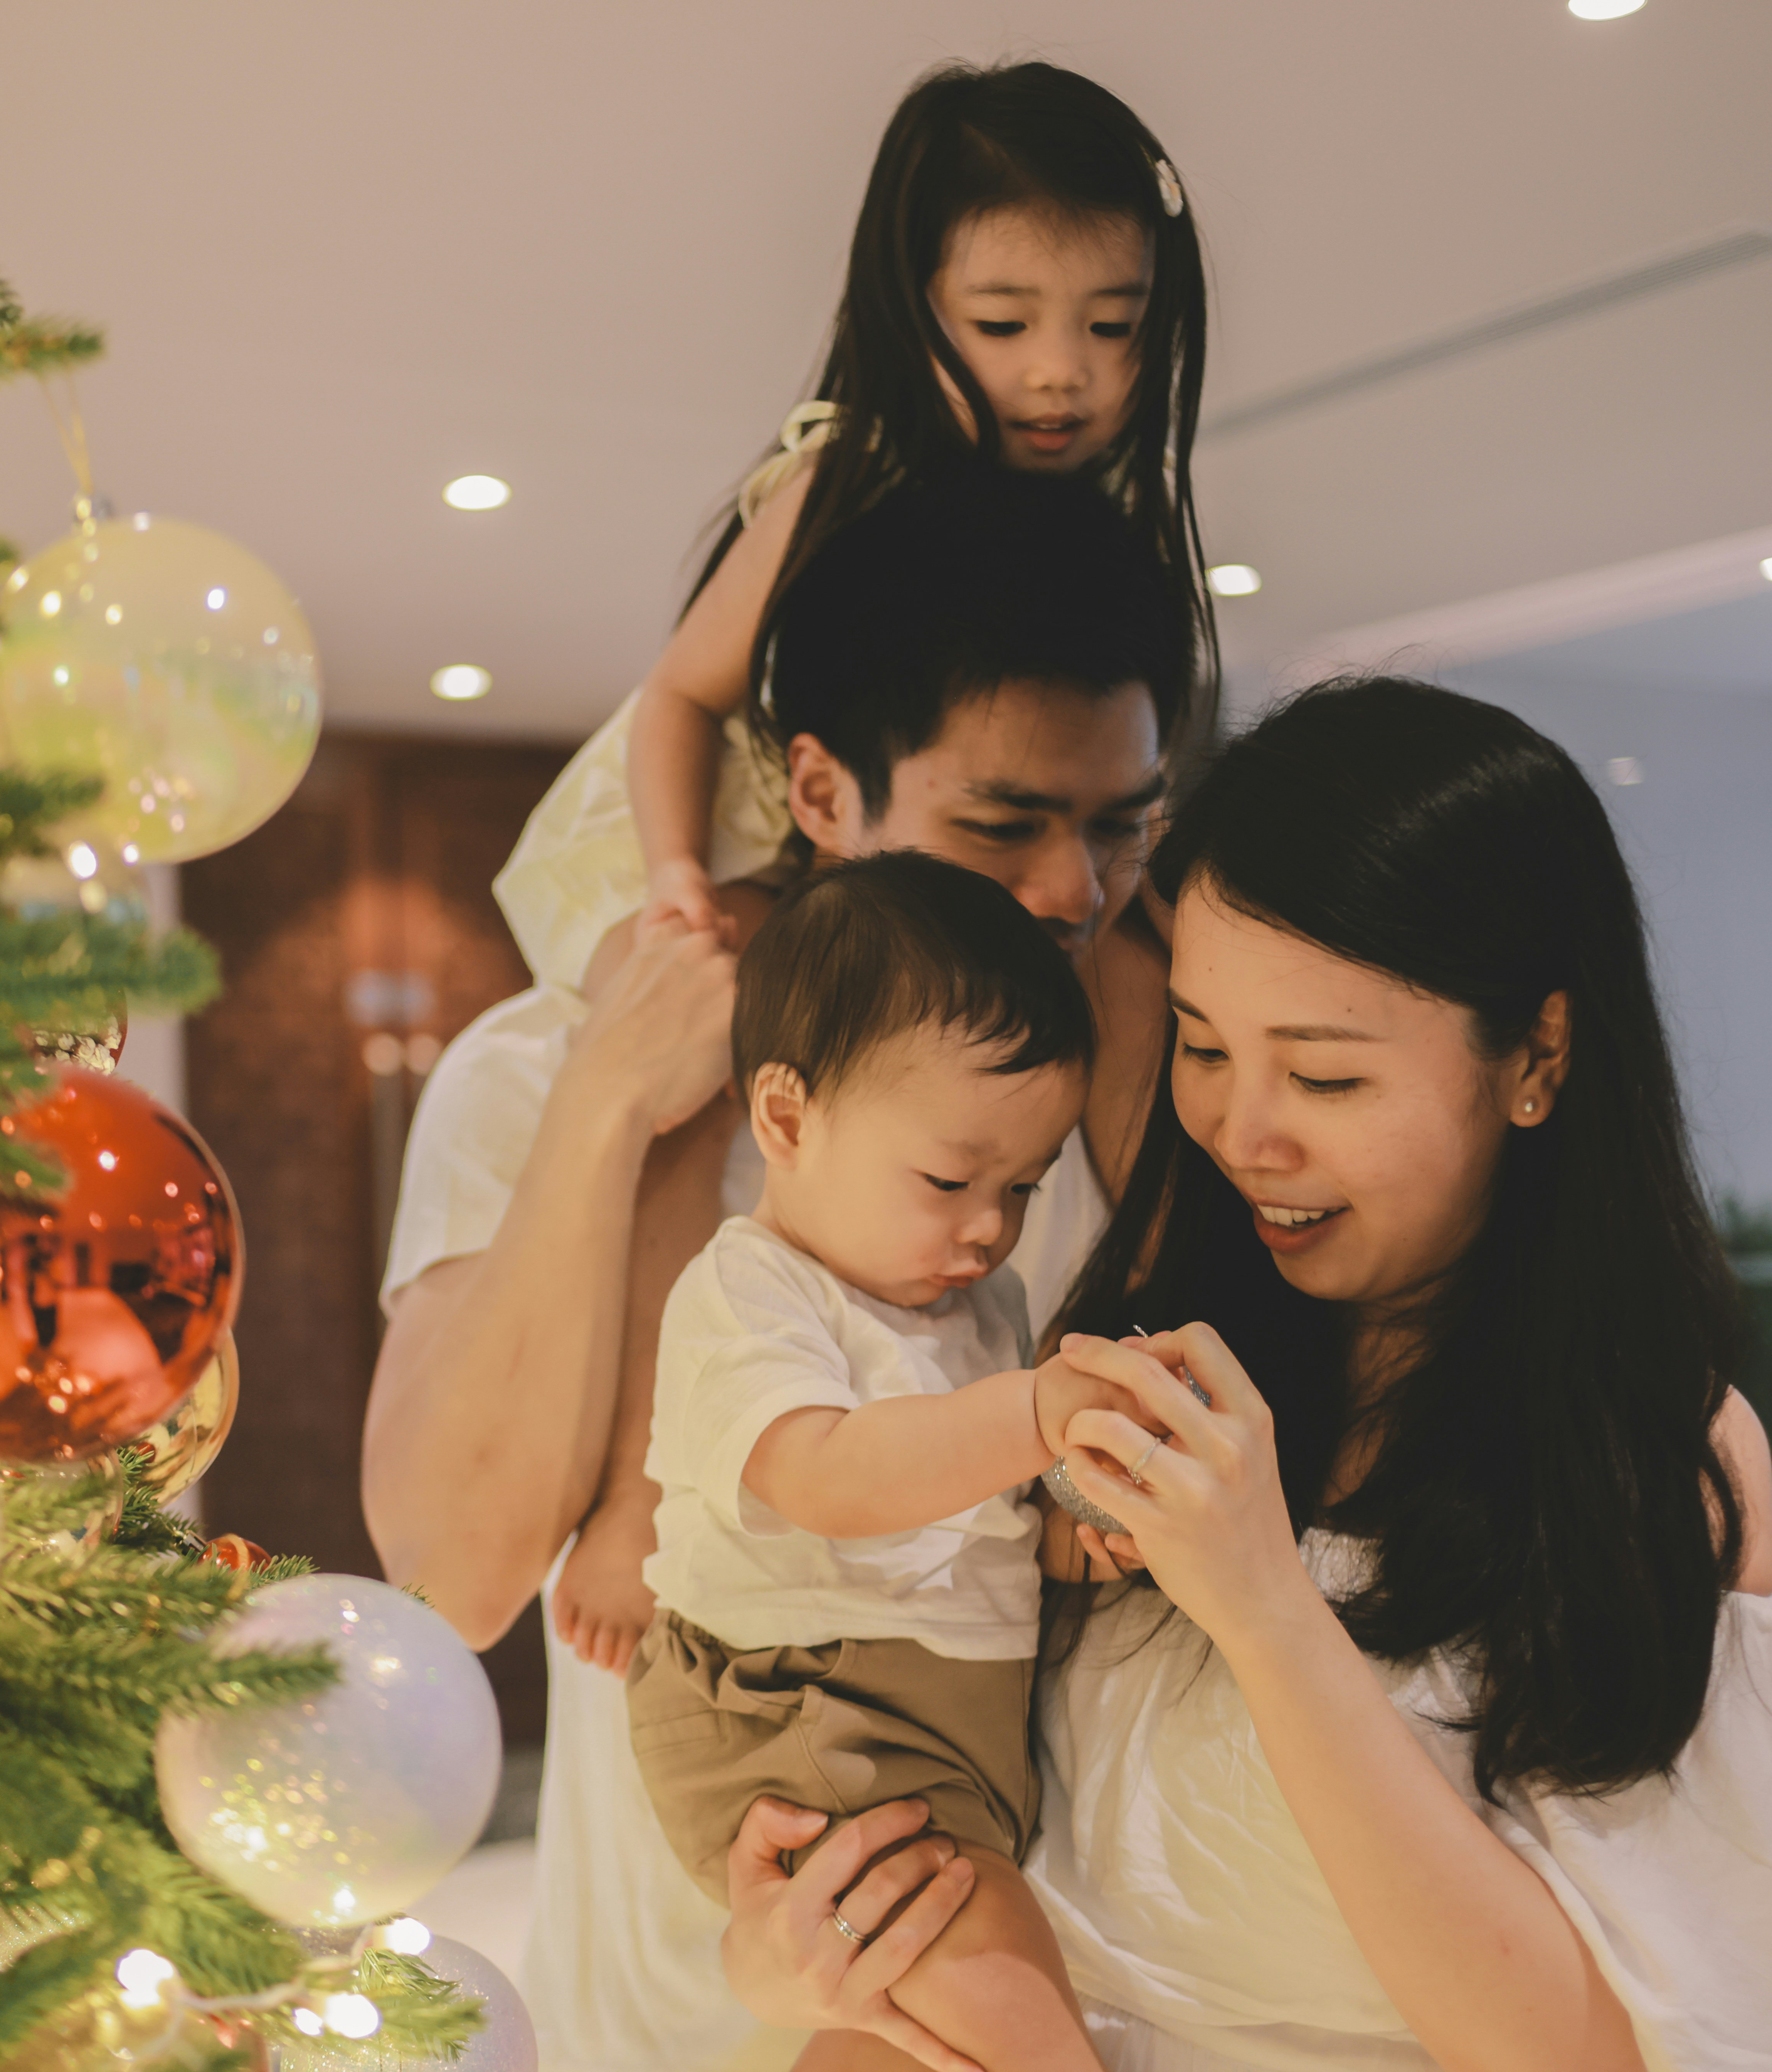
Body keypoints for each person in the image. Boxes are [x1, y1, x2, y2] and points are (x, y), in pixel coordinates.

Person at [719, 679, 1772, 2072]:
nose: (1240, 1131)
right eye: (1203, 1045)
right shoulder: (1137, 1368)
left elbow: (1612, 2048)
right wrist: (804, 1942)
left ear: (1539, 1057)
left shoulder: (1649, 1465)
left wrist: (1266, 1608)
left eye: (1325, 1078)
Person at [362, 468, 1183, 2072]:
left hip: (1087, 1970)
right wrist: (608, 1103)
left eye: (1119, 824)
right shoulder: (539, 1073)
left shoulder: (1133, 1065)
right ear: (819, 791)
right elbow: (449, 1574)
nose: (1068, 893)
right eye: (1001, 823)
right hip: (686, 2000)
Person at [490, 58, 1215, 993]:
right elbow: (679, 694)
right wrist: (675, 874)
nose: (1060, 371)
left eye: (1113, 326)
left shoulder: (1110, 510)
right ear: (911, 314)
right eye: (1003, 325)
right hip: (705, 844)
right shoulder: (850, 477)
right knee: (694, 993)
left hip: (870, 863)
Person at [630, 853, 1126, 2072]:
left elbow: (986, 1505)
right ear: (787, 1118)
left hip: (929, 1721)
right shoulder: (751, 1290)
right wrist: (1035, 1416)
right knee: (1012, 2008)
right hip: (812, 1711)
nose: (988, 1226)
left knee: (903, 2034)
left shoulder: (981, 1301)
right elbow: (830, 1481)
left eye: (1022, 1186)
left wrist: (1066, 1503)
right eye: (950, 1178)